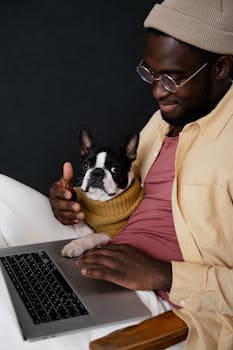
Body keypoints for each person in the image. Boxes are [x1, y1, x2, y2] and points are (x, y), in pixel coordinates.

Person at [49, 0, 233, 349]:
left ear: (221, 67)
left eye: (173, 77)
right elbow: (133, 202)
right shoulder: (165, 119)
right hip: (106, 252)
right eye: (151, 73)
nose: (157, 91)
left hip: (170, 305)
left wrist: (166, 274)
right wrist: (77, 203)